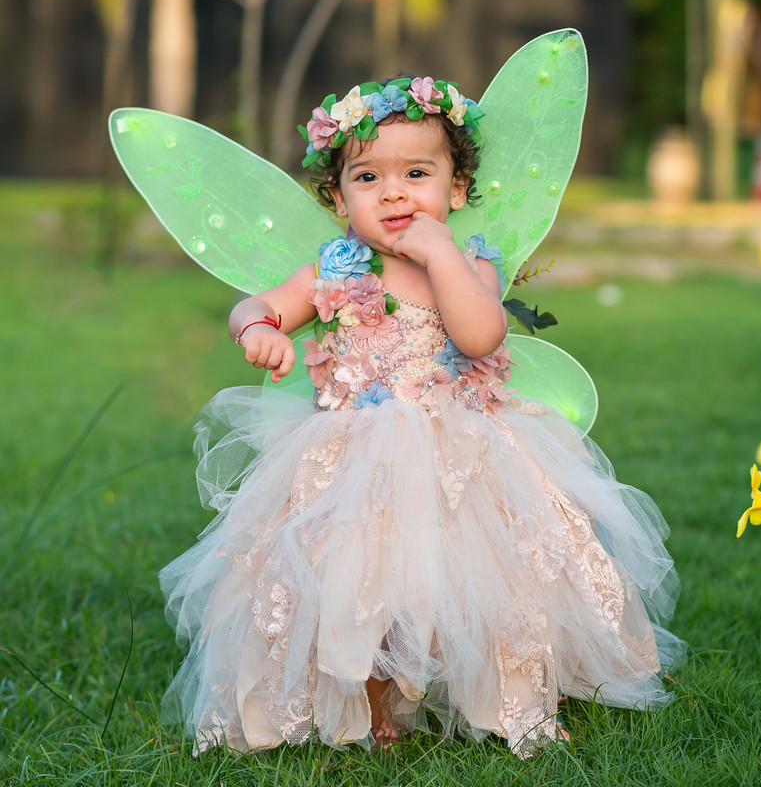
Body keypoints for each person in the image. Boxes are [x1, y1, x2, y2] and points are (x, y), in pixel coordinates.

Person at [158, 74, 683, 759]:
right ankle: (375, 704)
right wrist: (258, 326)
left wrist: (438, 256)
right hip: (354, 455)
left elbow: (480, 337)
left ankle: (513, 693)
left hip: (461, 447)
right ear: (339, 198)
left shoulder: (467, 264)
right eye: (368, 177)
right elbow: (265, 301)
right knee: (357, 576)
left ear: (455, 189)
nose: (394, 191)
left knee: (494, 576)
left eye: (416, 172)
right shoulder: (337, 267)